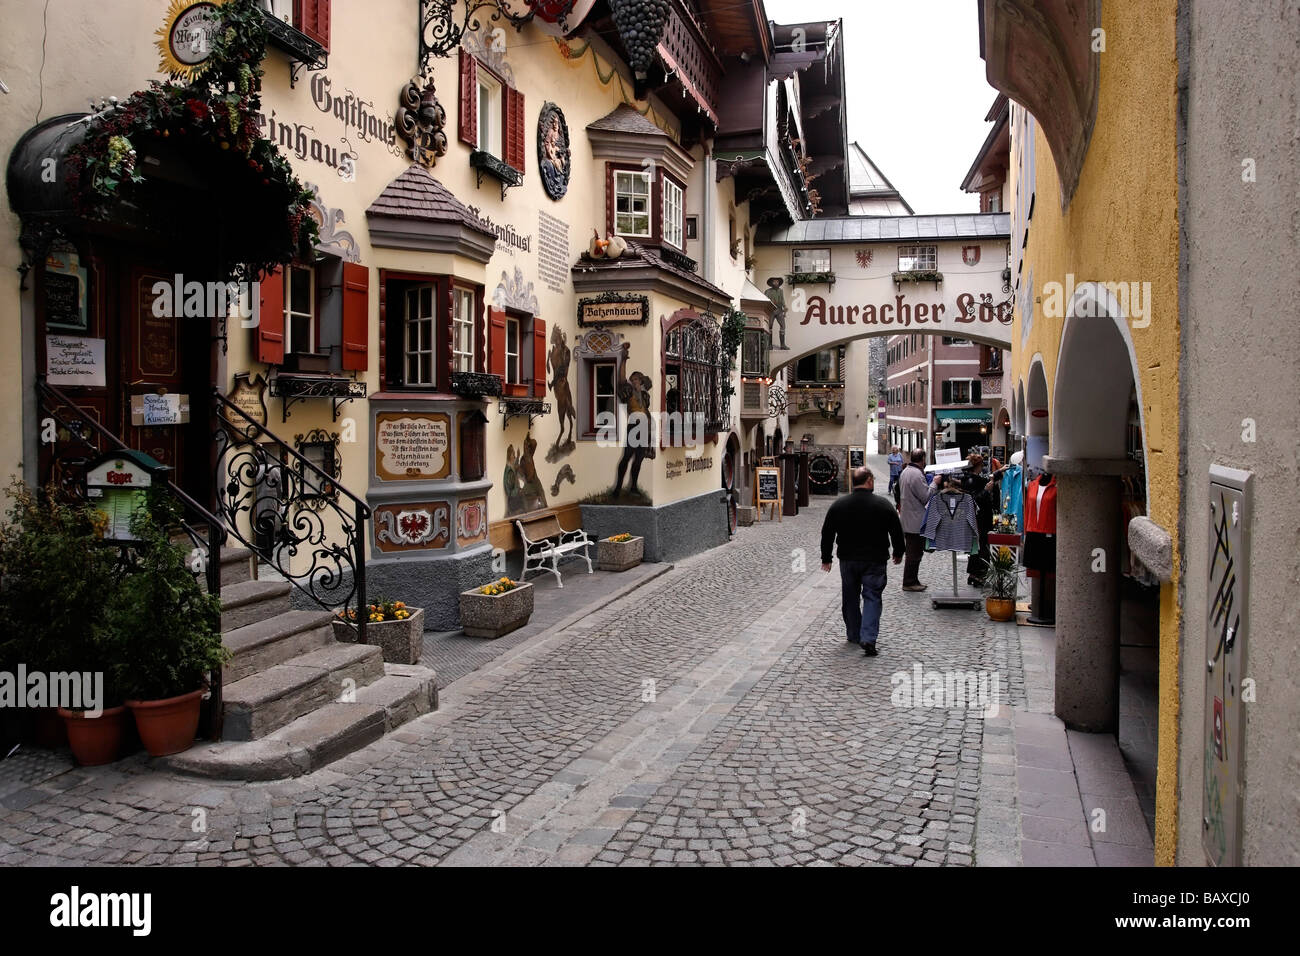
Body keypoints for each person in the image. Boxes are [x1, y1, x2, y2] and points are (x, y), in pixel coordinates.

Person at [820, 465, 904, 657]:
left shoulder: (839, 505)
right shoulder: (883, 505)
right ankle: (868, 637)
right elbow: (896, 531)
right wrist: (899, 552)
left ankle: (853, 633)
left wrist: (827, 558)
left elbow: (827, 533)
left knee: (850, 596)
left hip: (848, 559)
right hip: (875, 560)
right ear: (869, 481)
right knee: (872, 596)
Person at [898, 449, 941, 591]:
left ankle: (912, 580)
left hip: (909, 517)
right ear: (922, 458)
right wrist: (934, 483)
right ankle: (909, 582)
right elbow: (925, 496)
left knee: (914, 552)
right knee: (914, 553)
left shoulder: (906, 471)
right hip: (915, 520)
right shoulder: (916, 474)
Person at [958, 452, 994, 586]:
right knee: (982, 547)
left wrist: (999, 472)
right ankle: (979, 576)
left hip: (973, 518)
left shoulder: (967, 479)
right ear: (977, 466)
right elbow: (975, 500)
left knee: (975, 547)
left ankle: (973, 574)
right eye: (982, 465)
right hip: (980, 518)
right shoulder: (976, 481)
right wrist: (986, 490)